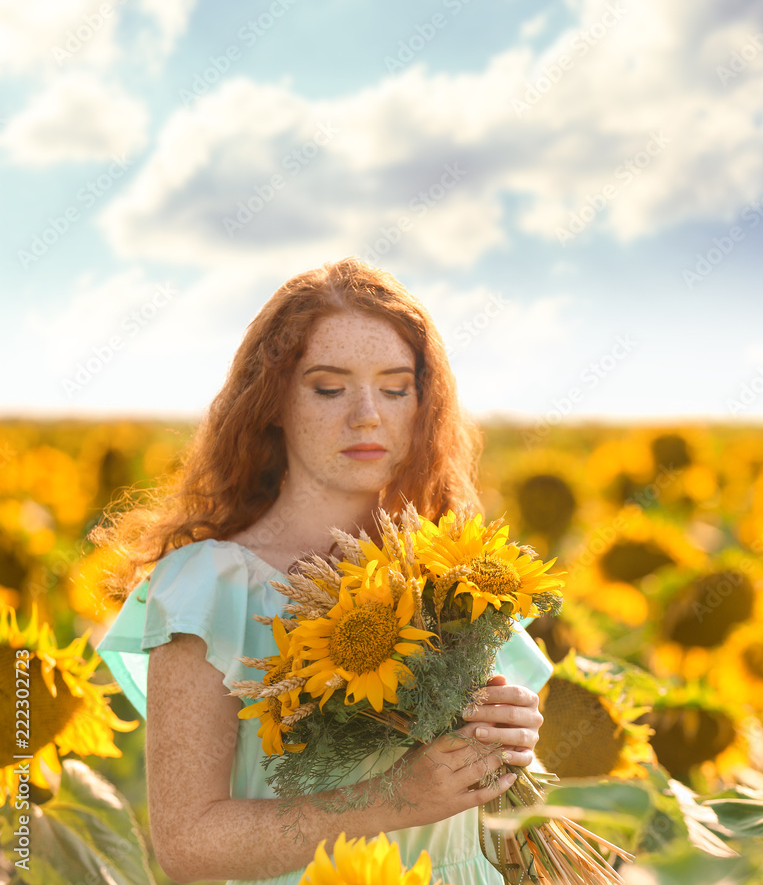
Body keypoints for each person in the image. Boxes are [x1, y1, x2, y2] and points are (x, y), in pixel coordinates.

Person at [94, 258, 553, 885]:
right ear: (272, 401)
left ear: (424, 403)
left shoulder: (453, 574)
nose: (367, 414)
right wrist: (394, 800)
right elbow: (188, 845)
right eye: (330, 388)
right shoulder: (209, 588)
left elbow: (492, 791)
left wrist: (511, 731)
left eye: (395, 388)